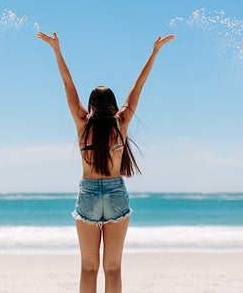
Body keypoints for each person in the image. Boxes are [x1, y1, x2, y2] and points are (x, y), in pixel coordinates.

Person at [36, 31, 176, 293]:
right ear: (112, 104)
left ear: (91, 105)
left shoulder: (82, 122)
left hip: (88, 193)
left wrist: (57, 50)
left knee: (88, 267)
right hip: (115, 194)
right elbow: (139, 86)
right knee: (113, 268)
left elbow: (68, 85)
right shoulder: (121, 123)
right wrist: (154, 52)